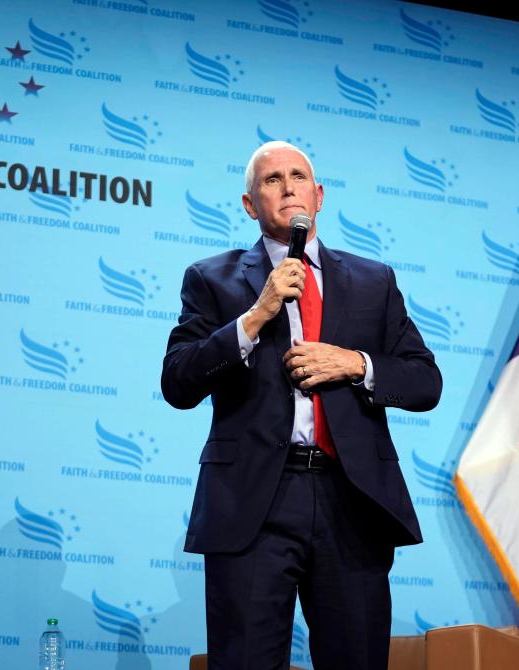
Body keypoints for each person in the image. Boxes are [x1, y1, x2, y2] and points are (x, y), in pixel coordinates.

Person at [161, 141, 442, 669]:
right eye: (271, 180)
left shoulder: (373, 281)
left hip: (351, 500)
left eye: (297, 177)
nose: (287, 186)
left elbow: (425, 382)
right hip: (253, 502)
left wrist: (355, 363)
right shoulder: (211, 279)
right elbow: (177, 381)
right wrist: (255, 315)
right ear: (250, 204)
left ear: (319, 195)